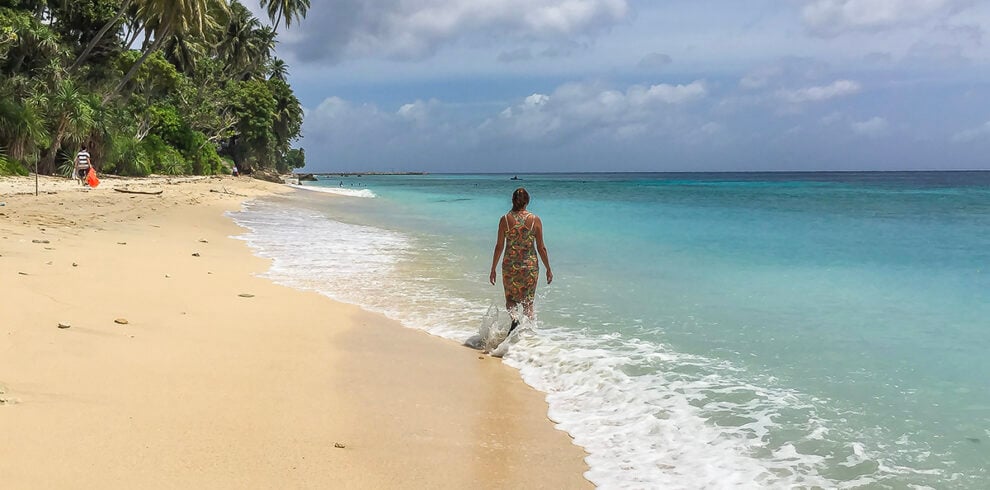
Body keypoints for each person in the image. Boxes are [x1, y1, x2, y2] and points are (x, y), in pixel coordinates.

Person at [489, 187, 552, 332]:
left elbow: (499, 246)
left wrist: (493, 268)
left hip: (509, 265)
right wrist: (548, 268)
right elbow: (541, 247)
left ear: (512, 200)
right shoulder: (534, 220)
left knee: (510, 299)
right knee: (528, 303)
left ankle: (515, 319)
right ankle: (528, 336)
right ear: (527, 201)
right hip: (529, 267)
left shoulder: (504, 220)